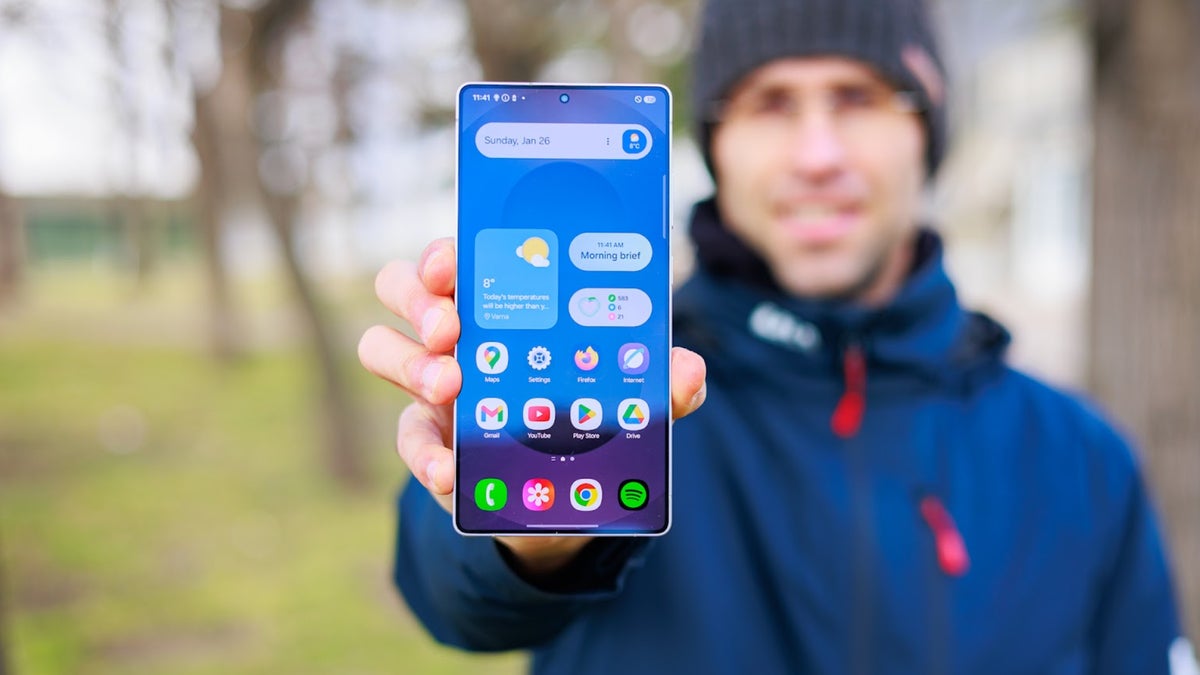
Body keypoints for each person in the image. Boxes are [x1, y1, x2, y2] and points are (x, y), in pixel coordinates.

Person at [358, 0, 1194, 672]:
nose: (817, 154)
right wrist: (530, 531)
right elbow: (455, 596)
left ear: (928, 128)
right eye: (770, 103)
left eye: (858, 97)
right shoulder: (626, 390)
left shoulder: (1079, 457)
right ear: (715, 142)